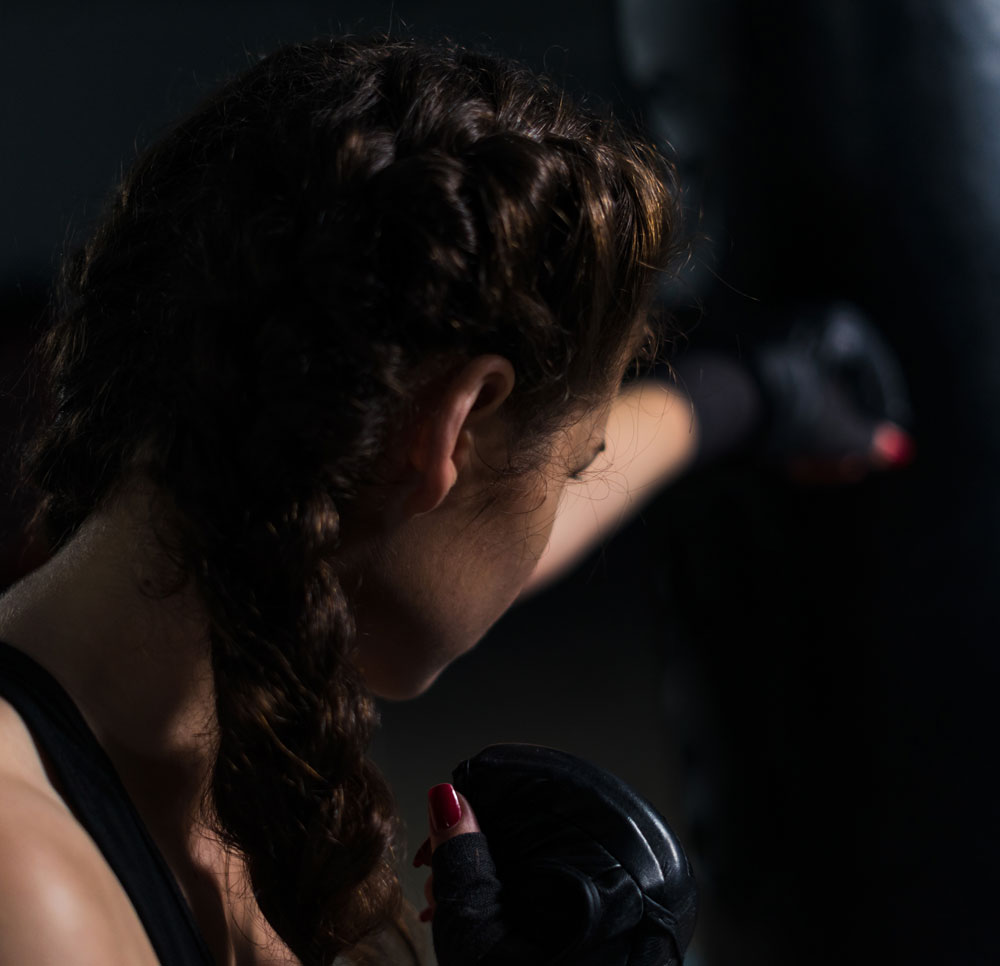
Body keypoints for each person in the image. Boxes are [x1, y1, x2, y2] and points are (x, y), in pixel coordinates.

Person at [0, 32, 700, 966]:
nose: (559, 512)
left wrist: (746, 399)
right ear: (453, 431)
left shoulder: (237, 689)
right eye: (574, 466)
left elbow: (512, 515)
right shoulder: (34, 894)